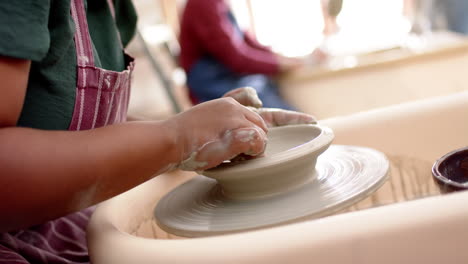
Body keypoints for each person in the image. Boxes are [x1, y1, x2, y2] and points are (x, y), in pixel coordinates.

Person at [0, 0, 316, 263]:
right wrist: (177, 137)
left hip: (64, 220)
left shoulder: (116, 9)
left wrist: (202, 128)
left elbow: (91, 128)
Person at [179, 0, 327, 110]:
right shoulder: (202, 4)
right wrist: (279, 64)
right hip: (214, 87)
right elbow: (236, 59)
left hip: (230, 79)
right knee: (286, 119)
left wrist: (291, 59)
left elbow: (248, 42)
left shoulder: (220, 3)